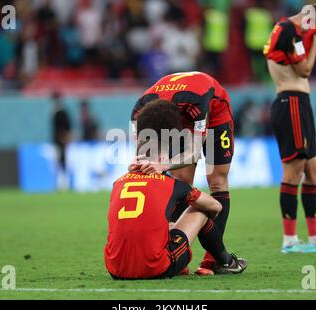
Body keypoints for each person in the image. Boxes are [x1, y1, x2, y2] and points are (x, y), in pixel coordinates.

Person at [105, 100, 247, 280]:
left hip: (115, 269)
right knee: (202, 210)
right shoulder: (171, 184)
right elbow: (216, 207)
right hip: (155, 268)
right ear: (163, 157)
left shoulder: (118, 183)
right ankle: (226, 262)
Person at [130, 71, 235, 275]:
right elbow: (140, 154)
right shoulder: (139, 110)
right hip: (176, 111)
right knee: (181, 181)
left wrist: (163, 165)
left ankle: (213, 260)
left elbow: (194, 152)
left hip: (215, 112)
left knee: (217, 179)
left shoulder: (197, 103)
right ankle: (178, 257)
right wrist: (138, 164)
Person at [264, 3, 316, 253]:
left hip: (300, 103)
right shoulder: (288, 29)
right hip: (291, 103)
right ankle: (289, 240)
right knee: (294, 172)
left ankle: (315, 236)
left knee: (314, 171)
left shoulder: (291, 33)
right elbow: (304, 69)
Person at [51, 92, 71, 189]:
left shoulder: (61, 113)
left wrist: (65, 136)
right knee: (59, 160)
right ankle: (61, 181)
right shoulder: (56, 112)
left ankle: (64, 181)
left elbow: (67, 127)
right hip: (57, 141)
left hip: (61, 140)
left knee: (62, 160)